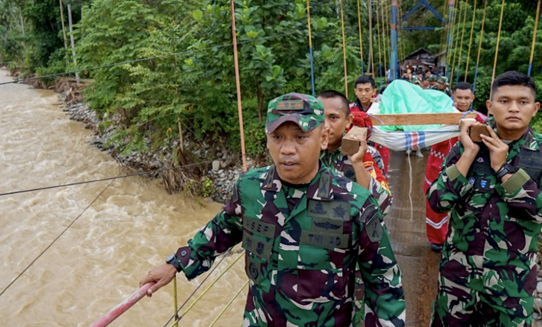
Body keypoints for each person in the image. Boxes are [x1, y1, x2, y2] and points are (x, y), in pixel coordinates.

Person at [140, 93, 406, 327]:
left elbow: (383, 280)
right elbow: (222, 229)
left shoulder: (355, 202)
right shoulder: (250, 188)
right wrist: (175, 264)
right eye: (278, 137)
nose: (287, 149)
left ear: (323, 138)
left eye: (300, 137)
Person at [427, 71, 542, 326]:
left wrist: (504, 170)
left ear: (535, 108)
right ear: (490, 106)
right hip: (458, 279)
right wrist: (469, 153)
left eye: (523, 102)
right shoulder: (466, 145)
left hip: (511, 285)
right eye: (504, 101)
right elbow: (438, 201)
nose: (514, 108)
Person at [317, 89, 394, 324]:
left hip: (352, 256)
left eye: (333, 117)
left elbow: (382, 206)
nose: (326, 125)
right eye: (320, 118)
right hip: (317, 253)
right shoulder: (308, 153)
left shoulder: (365, 154)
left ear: (348, 121)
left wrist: (358, 164)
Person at [424, 82, 486, 252]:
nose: (463, 101)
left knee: (467, 202)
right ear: (453, 97)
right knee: (435, 198)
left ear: (472, 98)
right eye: (459, 97)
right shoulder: (441, 115)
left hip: (467, 167)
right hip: (438, 163)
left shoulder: (479, 119)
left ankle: (462, 237)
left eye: (467, 98)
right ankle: (437, 239)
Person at [351, 75, 391, 174]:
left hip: (379, 149)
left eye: (367, 90)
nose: (363, 94)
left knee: (379, 180)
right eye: (360, 90)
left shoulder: (382, 109)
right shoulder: (349, 110)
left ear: (374, 91)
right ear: (355, 91)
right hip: (356, 151)